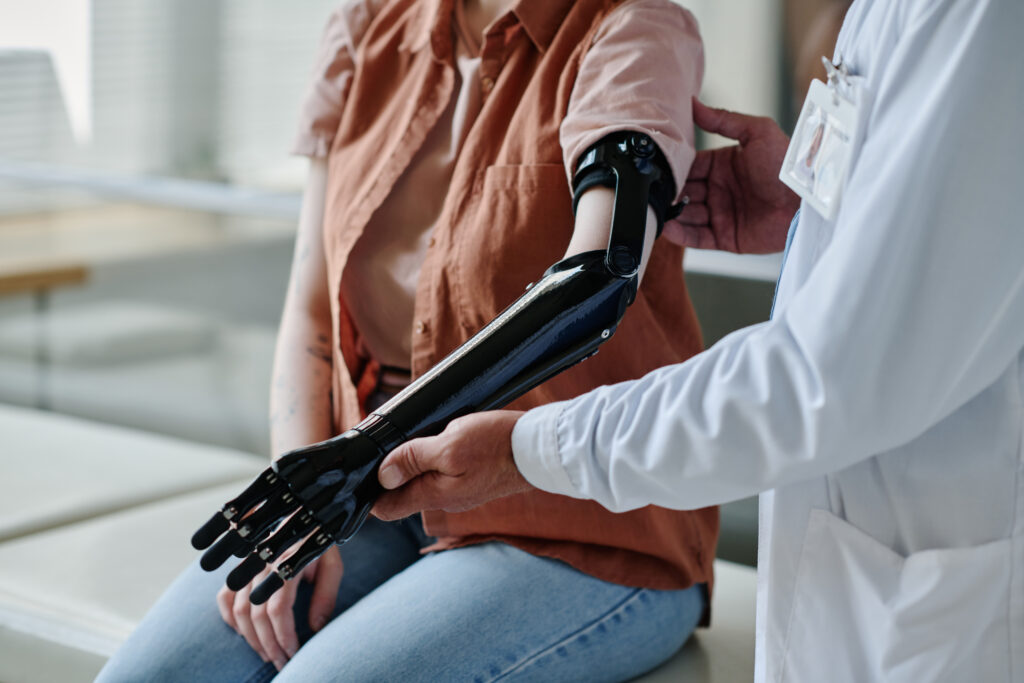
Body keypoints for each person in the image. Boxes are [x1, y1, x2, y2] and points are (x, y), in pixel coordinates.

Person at [371, 0, 1024, 680]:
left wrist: (529, 447)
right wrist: (814, 213)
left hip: (942, 609)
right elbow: (943, 228)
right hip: (857, 569)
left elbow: (827, 376)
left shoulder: (978, 15)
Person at [98, 1, 720, 681]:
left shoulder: (633, 32)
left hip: (579, 519)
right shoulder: (367, 26)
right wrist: (299, 516)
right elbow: (312, 301)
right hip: (372, 492)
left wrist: (364, 450)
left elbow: (600, 275)